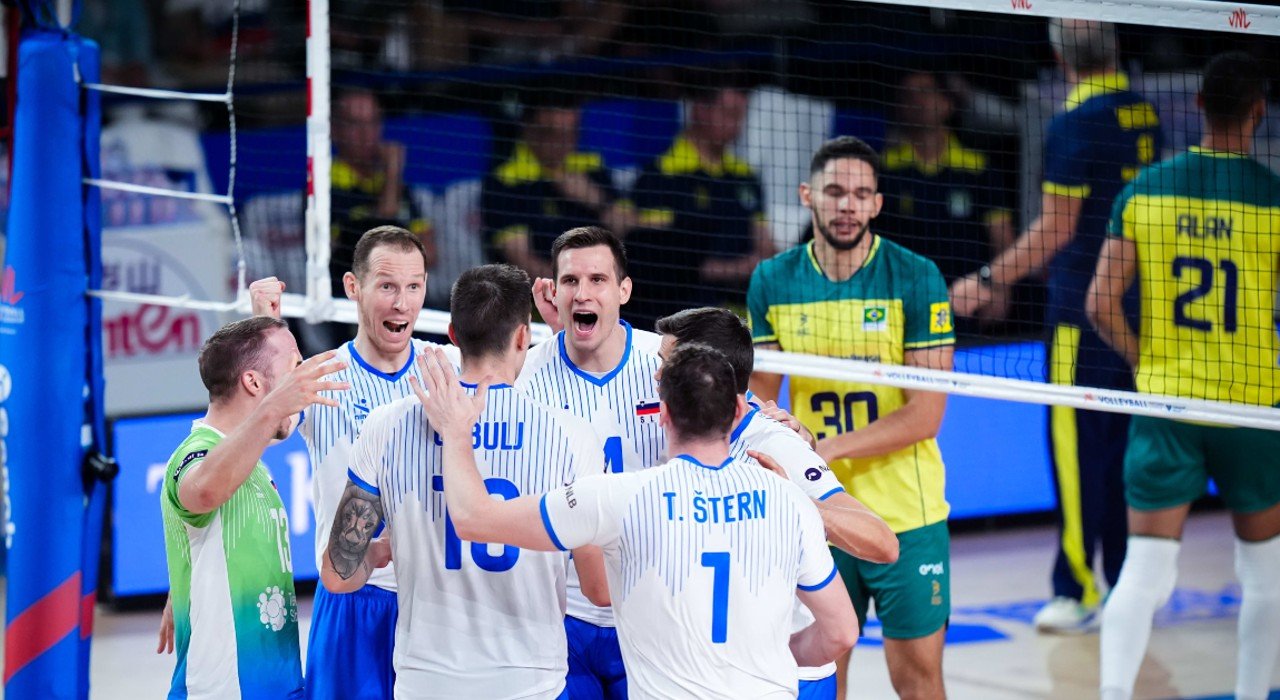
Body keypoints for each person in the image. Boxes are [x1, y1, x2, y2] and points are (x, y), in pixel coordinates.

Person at [422, 340, 861, 698]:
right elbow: (841, 632)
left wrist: (456, 433)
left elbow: (473, 518)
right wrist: (772, 655)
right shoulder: (789, 499)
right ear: (736, 412)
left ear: (663, 413)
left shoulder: (621, 498)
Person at [950, 19, 1163, 633]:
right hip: (1138, 307)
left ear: (1057, 56)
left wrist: (989, 280)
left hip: (1082, 314)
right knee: (1123, 448)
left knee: (1076, 454)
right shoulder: (1140, 111)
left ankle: (1077, 589)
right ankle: (1126, 584)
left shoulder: (1073, 123)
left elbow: (1056, 230)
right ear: (1117, 46)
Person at [320, 263, 607, 699]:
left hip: (425, 681)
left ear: (453, 335)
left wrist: (380, 551)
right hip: (528, 681)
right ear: (522, 337)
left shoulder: (388, 425)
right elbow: (598, 588)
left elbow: (339, 575)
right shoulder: (570, 434)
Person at [1088, 51, 1280, 700]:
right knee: (1264, 578)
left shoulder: (1144, 189)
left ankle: (1114, 694)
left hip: (1168, 403)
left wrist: (1146, 359)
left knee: (1143, 574)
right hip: (1252, 406)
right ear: (1259, 112)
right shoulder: (1274, 199)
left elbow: (1098, 304)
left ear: (1196, 106)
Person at [747, 135, 955, 700]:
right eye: (835, 192)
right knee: (819, 678)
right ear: (807, 195)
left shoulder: (915, 277)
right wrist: (782, 434)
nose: (847, 206)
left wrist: (829, 448)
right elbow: (761, 401)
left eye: (861, 194)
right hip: (814, 514)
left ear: (877, 204)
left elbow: (926, 414)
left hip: (905, 514)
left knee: (917, 682)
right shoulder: (773, 280)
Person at [250, 225, 459, 700]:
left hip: (434, 602)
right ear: (353, 288)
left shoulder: (448, 367)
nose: (402, 303)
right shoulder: (320, 376)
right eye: (387, 286)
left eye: (414, 286)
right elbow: (273, 425)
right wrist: (261, 330)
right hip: (351, 595)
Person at [654, 306, 898, 699]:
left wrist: (792, 500)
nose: (655, 376)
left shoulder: (777, 445)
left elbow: (883, 542)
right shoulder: (678, 428)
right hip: (714, 671)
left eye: (666, 365)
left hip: (788, 676)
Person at [160, 316, 349, 699]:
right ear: (252, 383)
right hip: (224, 689)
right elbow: (203, 491)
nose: (302, 381)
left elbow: (265, 424)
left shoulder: (253, 462)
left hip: (279, 682)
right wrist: (271, 403)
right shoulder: (194, 454)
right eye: (294, 370)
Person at [517, 226, 665, 698]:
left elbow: (735, 422)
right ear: (553, 291)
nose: (583, 292)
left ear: (623, 290)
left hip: (652, 609)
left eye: (598, 280)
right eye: (571, 281)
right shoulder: (527, 378)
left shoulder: (665, 363)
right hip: (564, 615)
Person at [627, 80, 776, 329]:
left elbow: (766, 247)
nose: (737, 127)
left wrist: (743, 266)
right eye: (729, 114)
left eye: (741, 117)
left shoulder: (745, 177)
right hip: (680, 318)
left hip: (741, 317)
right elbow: (669, 259)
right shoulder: (661, 176)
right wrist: (740, 268)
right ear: (700, 110)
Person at [877, 69, 1015, 331]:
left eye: (925, 91)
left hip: (966, 298)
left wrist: (1001, 289)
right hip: (901, 302)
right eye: (907, 95)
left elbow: (1002, 237)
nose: (917, 101)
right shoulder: (883, 169)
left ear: (948, 102)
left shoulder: (979, 168)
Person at [481, 91, 635, 281]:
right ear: (528, 129)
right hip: (542, 298)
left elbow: (624, 228)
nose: (564, 144)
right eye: (552, 133)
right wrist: (574, 289)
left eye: (571, 133)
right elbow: (521, 261)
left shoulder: (590, 164)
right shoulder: (505, 181)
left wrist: (597, 200)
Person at [330, 90, 435, 302]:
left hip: (407, 298)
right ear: (335, 130)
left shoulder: (398, 186)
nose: (365, 133)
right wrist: (393, 171)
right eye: (355, 124)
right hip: (353, 302)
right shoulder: (327, 187)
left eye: (373, 122)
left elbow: (431, 254)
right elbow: (372, 258)